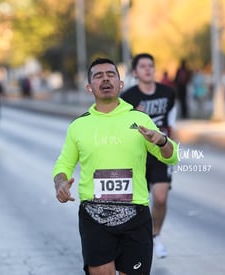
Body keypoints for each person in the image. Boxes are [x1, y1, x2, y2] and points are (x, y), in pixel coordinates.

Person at [53, 57, 179, 275]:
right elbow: (63, 165)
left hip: (136, 217)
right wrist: (60, 183)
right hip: (94, 217)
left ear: (120, 84)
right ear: (89, 87)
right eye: (98, 76)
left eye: (111, 74)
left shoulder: (139, 119)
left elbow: (172, 156)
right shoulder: (79, 126)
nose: (105, 79)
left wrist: (162, 141)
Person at [120, 53, 178, 259]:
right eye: (143, 66)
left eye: (150, 66)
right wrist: (135, 116)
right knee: (138, 201)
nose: (148, 69)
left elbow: (172, 123)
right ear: (135, 72)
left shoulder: (168, 92)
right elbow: (122, 128)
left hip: (161, 151)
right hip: (138, 154)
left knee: (160, 198)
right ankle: (136, 239)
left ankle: (156, 236)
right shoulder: (127, 97)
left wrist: (173, 149)